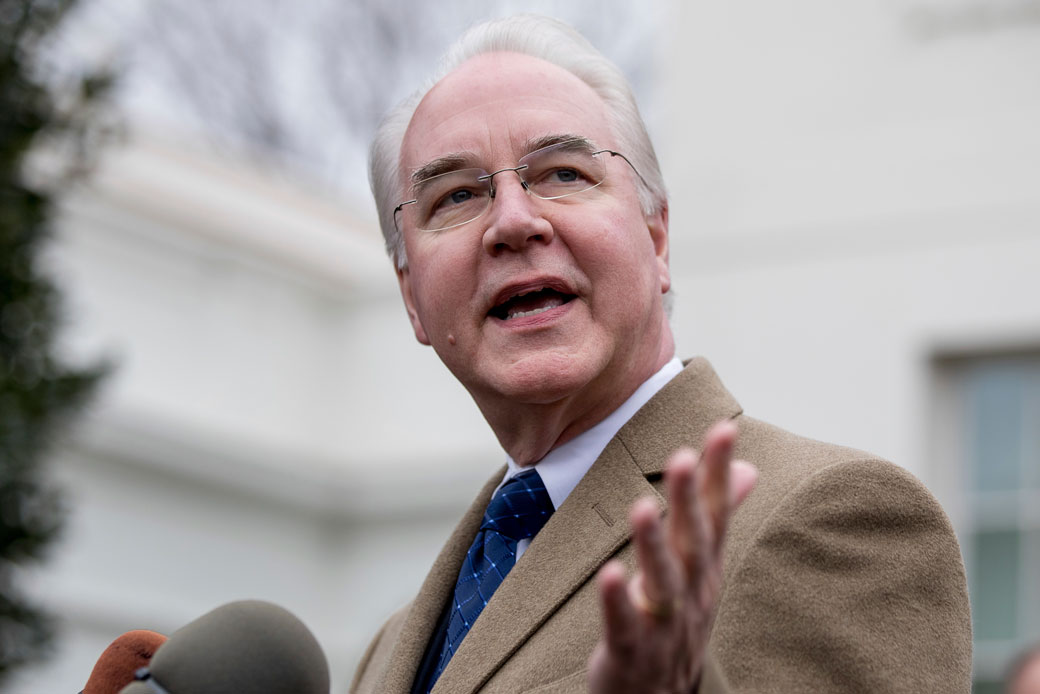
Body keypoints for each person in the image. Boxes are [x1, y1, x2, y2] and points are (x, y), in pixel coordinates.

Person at [351, 14, 972, 694]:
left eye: (562, 172)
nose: (513, 222)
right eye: (458, 196)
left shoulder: (832, 518)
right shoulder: (390, 651)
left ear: (658, 238)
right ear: (411, 295)